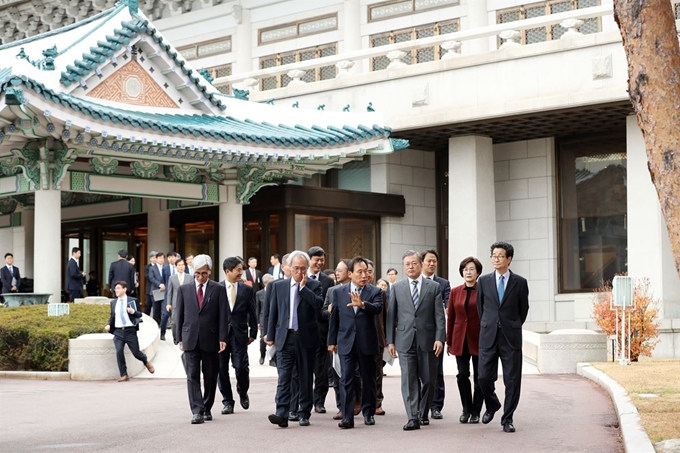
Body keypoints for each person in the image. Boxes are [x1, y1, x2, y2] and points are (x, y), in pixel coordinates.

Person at [386, 250, 445, 431]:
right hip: (404, 340)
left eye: (414, 263)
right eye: (407, 264)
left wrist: (440, 338)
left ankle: (423, 412)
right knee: (409, 380)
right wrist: (390, 341)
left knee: (428, 380)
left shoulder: (433, 287)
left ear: (421, 264)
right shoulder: (397, 287)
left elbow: (439, 316)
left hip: (427, 340)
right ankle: (413, 417)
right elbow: (391, 316)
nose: (410, 267)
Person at [266, 250, 323, 428]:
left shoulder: (314, 285)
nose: (299, 272)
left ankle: (304, 412)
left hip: (306, 338)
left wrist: (303, 288)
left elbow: (318, 305)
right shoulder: (278, 286)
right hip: (286, 337)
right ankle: (281, 413)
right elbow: (273, 312)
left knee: (305, 377)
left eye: (303, 269)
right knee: (284, 377)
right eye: (296, 268)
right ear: (289, 268)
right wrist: (270, 335)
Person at [477, 242, 529, 434]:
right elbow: (480, 308)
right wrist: (490, 324)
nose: (496, 259)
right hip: (488, 335)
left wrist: (512, 324)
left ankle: (507, 418)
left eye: (500, 256)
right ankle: (492, 405)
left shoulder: (520, 282)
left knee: (512, 380)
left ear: (509, 259)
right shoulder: (483, 281)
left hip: (510, 337)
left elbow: (523, 310)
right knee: (483, 377)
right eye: (493, 255)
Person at [328, 256, 383, 429]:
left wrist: (363, 304)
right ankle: (347, 416)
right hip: (345, 342)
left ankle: (368, 413)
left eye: (366, 271)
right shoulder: (338, 292)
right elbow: (334, 318)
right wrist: (331, 341)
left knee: (368, 379)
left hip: (367, 342)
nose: (364, 275)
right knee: (346, 379)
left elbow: (378, 308)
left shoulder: (374, 292)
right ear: (350, 274)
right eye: (359, 272)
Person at [176, 254, 229, 425]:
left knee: (211, 375)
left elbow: (223, 315)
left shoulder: (218, 289)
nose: (200, 277)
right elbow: (179, 315)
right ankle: (197, 411)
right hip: (190, 337)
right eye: (197, 273)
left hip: (211, 338)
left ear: (210, 272)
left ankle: (207, 407)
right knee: (192, 375)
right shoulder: (184, 289)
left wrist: (222, 337)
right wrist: (179, 338)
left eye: (204, 273)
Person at [447, 257, 484, 424]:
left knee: (480, 377)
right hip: (460, 339)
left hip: (479, 339)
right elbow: (451, 317)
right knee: (462, 375)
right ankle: (466, 409)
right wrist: (449, 341)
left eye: (471, 269)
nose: (468, 272)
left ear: (477, 272)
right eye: (465, 269)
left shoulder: (483, 290)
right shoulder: (455, 291)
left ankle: (476, 411)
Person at [218, 257, 257, 416]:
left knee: (241, 367)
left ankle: (242, 391)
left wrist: (253, 332)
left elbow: (252, 312)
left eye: (242, 269)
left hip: (240, 335)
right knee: (221, 369)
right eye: (238, 270)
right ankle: (227, 401)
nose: (241, 272)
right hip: (220, 335)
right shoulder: (216, 288)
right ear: (228, 271)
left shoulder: (246, 289)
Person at [421, 249, 451, 421]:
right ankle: (420, 404)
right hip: (416, 333)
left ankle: (436, 406)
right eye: (428, 261)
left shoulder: (443, 284)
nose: (432, 264)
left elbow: (447, 306)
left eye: (434, 261)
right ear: (422, 262)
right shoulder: (414, 282)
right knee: (418, 372)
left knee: (436, 371)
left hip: (434, 333)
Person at [104, 281, 155, 381]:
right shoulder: (113, 302)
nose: (116, 290)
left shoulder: (132, 300)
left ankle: (145, 361)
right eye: (115, 288)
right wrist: (109, 324)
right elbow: (112, 316)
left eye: (118, 288)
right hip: (118, 331)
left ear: (124, 289)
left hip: (130, 331)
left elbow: (139, 315)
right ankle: (124, 374)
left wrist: (133, 312)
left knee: (136, 353)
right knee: (119, 351)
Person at [308, 246, 334, 415]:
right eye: (316, 259)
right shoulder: (300, 277)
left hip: (321, 331)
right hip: (302, 331)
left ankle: (319, 402)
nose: (319, 263)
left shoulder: (328, 281)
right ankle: (304, 401)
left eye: (322, 260)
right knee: (304, 369)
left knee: (322, 370)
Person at [164, 258, 192, 342]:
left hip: (187, 302)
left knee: (186, 321)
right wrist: (168, 303)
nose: (181, 267)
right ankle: (176, 337)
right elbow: (169, 292)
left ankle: (185, 338)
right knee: (174, 322)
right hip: (175, 302)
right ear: (176, 267)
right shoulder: (172, 278)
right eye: (179, 265)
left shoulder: (190, 277)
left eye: (182, 265)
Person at [256, 274, 274, 365]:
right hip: (263, 320)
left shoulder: (276, 291)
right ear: (265, 283)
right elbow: (257, 308)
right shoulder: (259, 294)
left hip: (274, 319)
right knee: (263, 339)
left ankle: (272, 359)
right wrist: (258, 322)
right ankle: (262, 355)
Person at [148, 252, 165, 324]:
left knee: (163, 309)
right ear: (156, 259)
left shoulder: (165, 267)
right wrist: (160, 285)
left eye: (163, 258)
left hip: (164, 290)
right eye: (159, 258)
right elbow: (151, 278)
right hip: (156, 290)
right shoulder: (152, 268)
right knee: (156, 309)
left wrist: (164, 286)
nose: (161, 260)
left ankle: (163, 323)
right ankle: (156, 323)